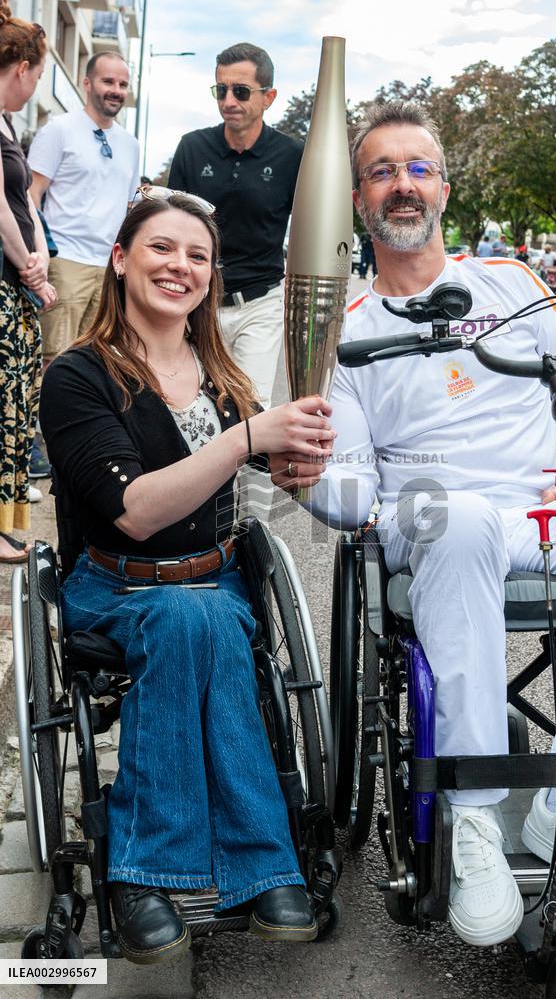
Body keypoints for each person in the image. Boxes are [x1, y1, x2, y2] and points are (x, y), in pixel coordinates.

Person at [297, 99, 556, 948]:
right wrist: (324, 489)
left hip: (544, 506)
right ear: (358, 199)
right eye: (382, 171)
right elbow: (347, 483)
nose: (401, 184)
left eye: (417, 168)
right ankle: (469, 821)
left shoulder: (514, 284)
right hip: (434, 516)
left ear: (444, 189)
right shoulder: (346, 333)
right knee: (456, 518)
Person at [39, 192, 335, 964]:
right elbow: (133, 510)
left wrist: (303, 454)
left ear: (212, 275)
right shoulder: (79, 376)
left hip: (215, 583)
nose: (181, 266)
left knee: (198, 616)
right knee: (184, 619)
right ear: (120, 258)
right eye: (162, 249)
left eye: (197, 255)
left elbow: (278, 468)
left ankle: (153, 874)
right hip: (114, 585)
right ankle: (241, 867)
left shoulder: (220, 372)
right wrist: (246, 439)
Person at [169, 42, 303, 411]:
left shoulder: (292, 156)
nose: (229, 100)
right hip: (197, 301)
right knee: (193, 406)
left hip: (260, 305)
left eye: (241, 91)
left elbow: (307, 229)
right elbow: (170, 225)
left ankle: (251, 471)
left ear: (268, 97)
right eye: (221, 90)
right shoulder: (192, 148)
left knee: (249, 408)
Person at [28, 51, 139, 362]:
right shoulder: (59, 129)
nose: (116, 90)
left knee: (95, 360)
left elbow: (130, 208)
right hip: (65, 262)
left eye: (123, 83)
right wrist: (40, 252)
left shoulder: (130, 145)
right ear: (87, 83)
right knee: (53, 357)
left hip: (108, 270)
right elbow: (31, 193)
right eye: (108, 81)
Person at [0, 3, 56, 563]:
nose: (35, 87)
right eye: (37, 77)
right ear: (20, 67)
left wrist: (37, 253)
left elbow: (25, 205)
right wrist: (27, 265)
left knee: (13, 400)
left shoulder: (7, 122)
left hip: (14, 282)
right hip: (3, 281)